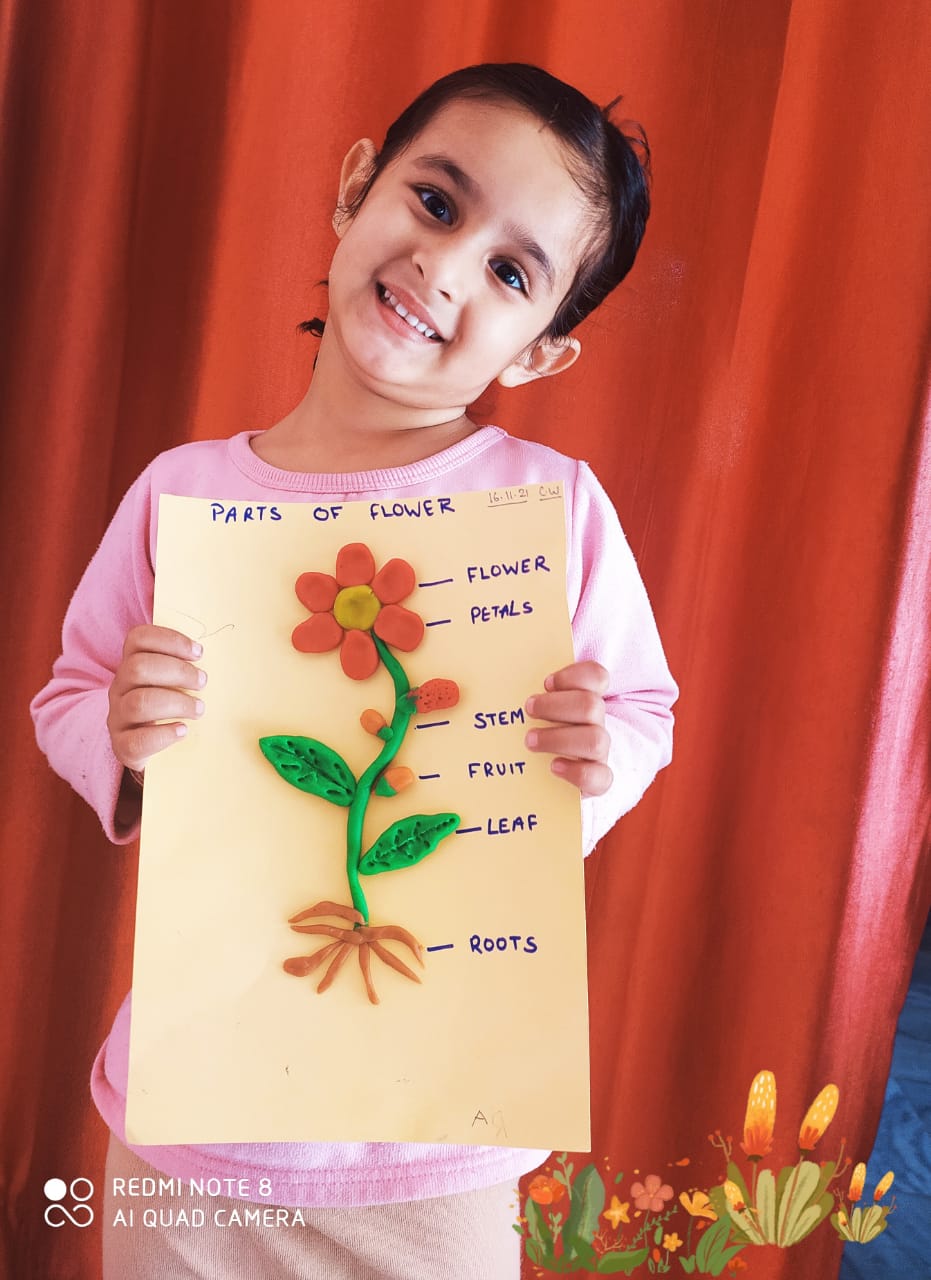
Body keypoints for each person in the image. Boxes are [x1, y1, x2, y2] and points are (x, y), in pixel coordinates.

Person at [31, 62, 677, 1280]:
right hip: (193, 1125)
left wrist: (596, 761)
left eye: (511, 271)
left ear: (542, 354)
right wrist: (121, 736)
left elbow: (642, 707)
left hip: (440, 1141)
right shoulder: (183, 492)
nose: (445, 266)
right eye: (435, 201)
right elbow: (69, 691)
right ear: (353, 188)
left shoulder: (549, 508)